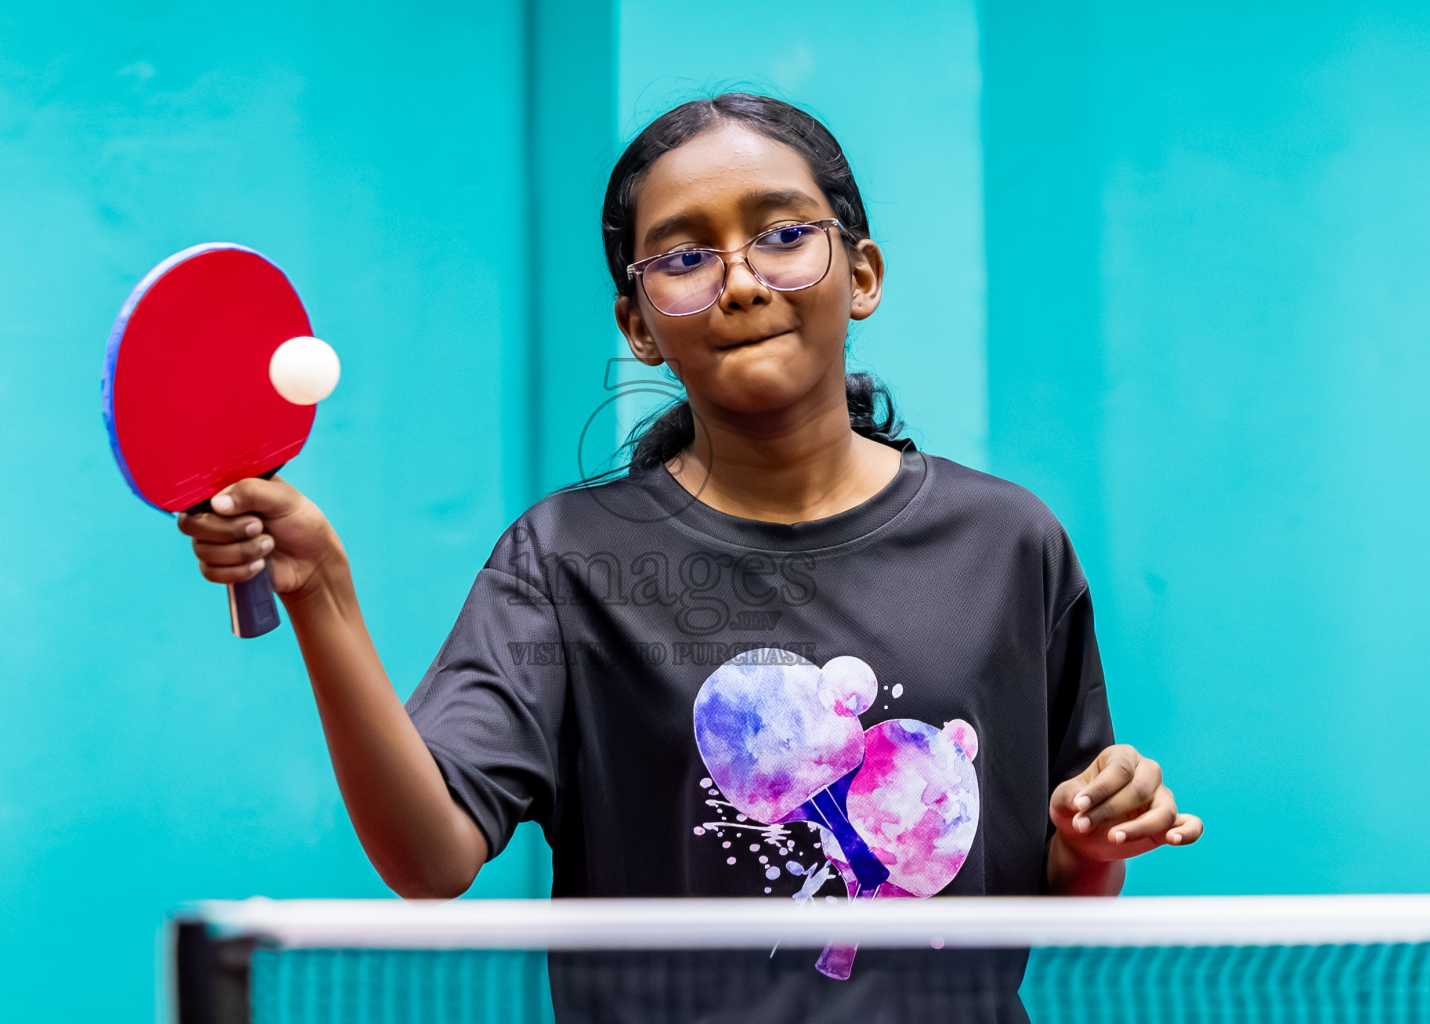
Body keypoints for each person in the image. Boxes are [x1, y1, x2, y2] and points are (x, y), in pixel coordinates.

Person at [177, 93, 1203, 1022]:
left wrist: (1097, 841)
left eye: (785, 235)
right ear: (640, 328)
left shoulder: (1009, 542)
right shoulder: (567, 558)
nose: (744, 281)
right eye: (683, 258)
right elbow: (429, 854)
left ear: (864, 274)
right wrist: (323, 596)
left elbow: (1050, 886)